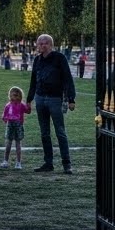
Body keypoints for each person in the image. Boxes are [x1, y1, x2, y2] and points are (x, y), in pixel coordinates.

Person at [27, 34, 76, 173]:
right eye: (40, 43)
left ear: (51, 45)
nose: (42, 45)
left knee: (60, 132)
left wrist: (71, 99)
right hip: (40, 98)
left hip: (55, 99)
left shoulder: (59, 58)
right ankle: (48, 163)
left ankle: (67, 164)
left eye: (45, 43)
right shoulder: (37, 60)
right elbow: (33, 80)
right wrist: (29, 100)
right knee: (44, 133)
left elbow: (67, 78)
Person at [0, 86, 31, 169]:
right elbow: (4, 116)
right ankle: (5, 161)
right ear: (10, 96)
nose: (16, 97)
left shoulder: (21, 105)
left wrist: (29, 105)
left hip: (18, 125)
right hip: (10, 125)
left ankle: (18, 163)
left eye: (18, 95)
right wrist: (6, 119)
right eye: (14, 95)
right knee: (8, 143)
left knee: (18, 144)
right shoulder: (8, 105)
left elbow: (28, 111)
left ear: (20, 96)